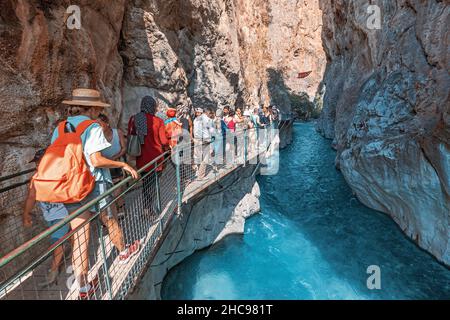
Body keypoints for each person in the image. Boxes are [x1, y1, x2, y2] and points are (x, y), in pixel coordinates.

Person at [52, 88, 139, 300]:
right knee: (110, 220)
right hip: (95, 185)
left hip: (70, 186)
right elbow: (97, 160)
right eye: (97, 108)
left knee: (80, 236)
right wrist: (122, 165)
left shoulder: (60, 128)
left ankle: (82, 287)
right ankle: (124, 251)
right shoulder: (92, 127)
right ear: (92, 108)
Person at [23, 149, 70, 288]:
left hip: (63, 214)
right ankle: (74, 254)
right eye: (36, 162)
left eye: (39, 161)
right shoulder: (36, 178)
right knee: (66, 237)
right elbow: (31, 197)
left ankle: (53, 272)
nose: (37, 165)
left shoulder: (59, 173)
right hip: (49, 215)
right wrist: (26, 213)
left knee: (57, 242)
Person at [96, 114, 140, 266]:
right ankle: (112, 216)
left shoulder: (117, 133)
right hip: (106, 167)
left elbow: (124, 148)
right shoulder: (96, 135)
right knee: (111, 192)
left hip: (115, 164)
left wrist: (116, 158)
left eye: (100, 123)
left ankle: (120, 208)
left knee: (118, 187)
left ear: (107, 123)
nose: (98, 126)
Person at [128, 96, 169, 217]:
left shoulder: (134, 119)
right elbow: (164, 141)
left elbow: (131, 136)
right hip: (156, 159)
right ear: (152, 106)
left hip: (141, 159)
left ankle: (147, 209)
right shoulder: (158, 121)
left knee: (146, 182)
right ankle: (150, 209)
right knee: (153, 184)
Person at [193, 107, 215, 179]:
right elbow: (211, 131)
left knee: (197, 156)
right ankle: (201, 176)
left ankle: (197, 172)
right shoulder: (207, 119)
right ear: (207, 113)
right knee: (205, 158)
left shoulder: (195, 120)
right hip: (205, 140)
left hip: (197, 140)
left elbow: (195, 131)